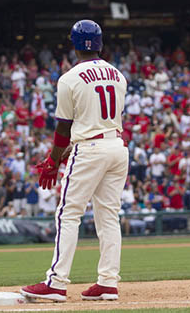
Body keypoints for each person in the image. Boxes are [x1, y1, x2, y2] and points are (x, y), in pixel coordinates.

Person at [21, 20, 128, 302]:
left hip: (90, 149)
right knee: (108, 217)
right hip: (116, 146)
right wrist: (63, 155)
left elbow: (64, 130)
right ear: (101, 43)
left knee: (68, 214)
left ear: (74, 44)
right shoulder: (118, 75)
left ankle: (56, 282)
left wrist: (53, 161)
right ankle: (107, 282)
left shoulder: (70, 78)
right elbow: (101, 124)